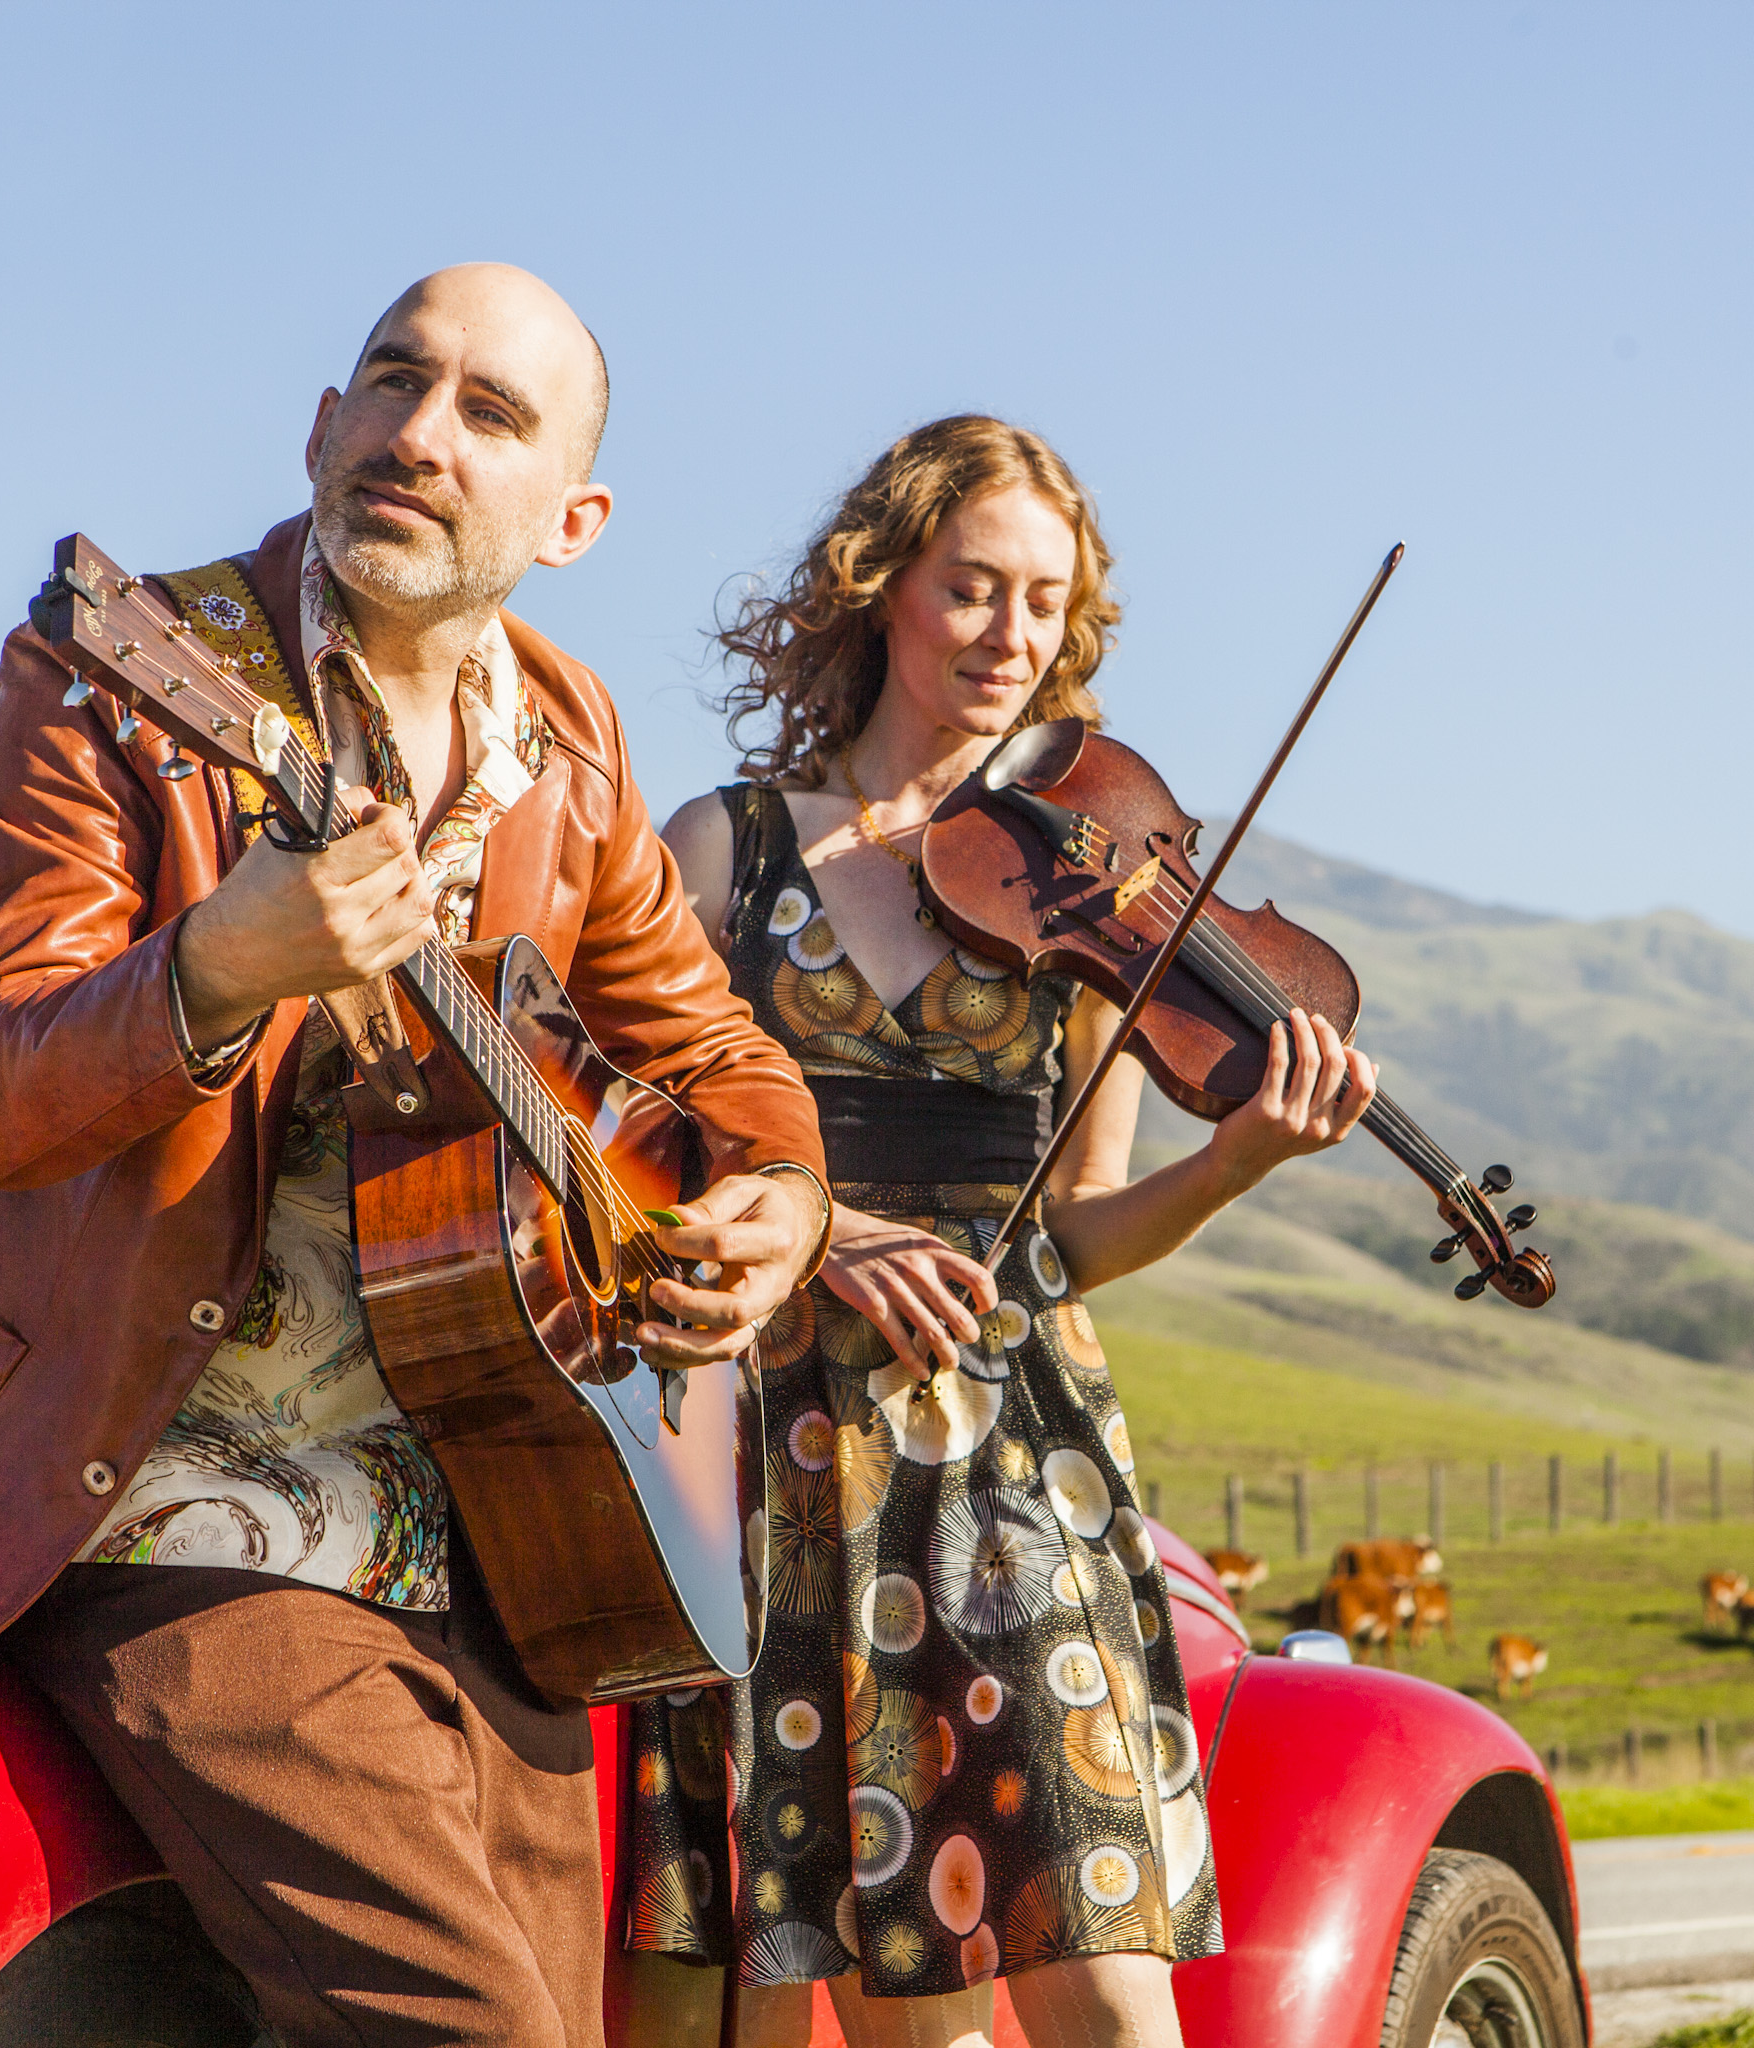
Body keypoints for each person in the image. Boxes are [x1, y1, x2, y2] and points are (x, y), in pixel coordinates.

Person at [0, 264, 832, 2048]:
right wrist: (220, 966)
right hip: (165, 1495)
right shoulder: (117, 671)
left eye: (489, 415)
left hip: (501, 1524)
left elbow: (711, 1046)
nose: (418, 435)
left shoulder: (573, 744)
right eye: (391, 380)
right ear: (322, 422)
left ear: (574, 518)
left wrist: (782, 1200)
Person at [619, 416, 1378, 2048]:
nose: (1010, 636)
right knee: (903, 2007)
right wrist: (824, 1237)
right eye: (974, 588)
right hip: (769, 1440)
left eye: (1045, 604)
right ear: (884, 586)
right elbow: (633, 1152)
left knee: (1101, 1965)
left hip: (1012, 1449)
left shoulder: (1077, 888)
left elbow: (1081, 1232)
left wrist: (1240, 1156)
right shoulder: (727, 851)